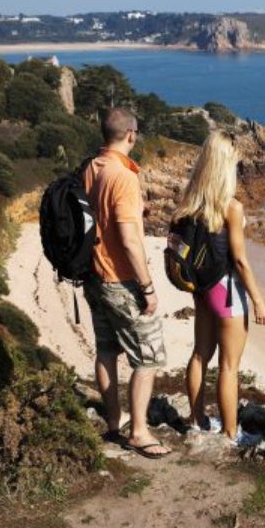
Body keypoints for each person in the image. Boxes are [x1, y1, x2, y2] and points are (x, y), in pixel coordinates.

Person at [171, 131, 265, 446]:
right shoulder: (231, 207)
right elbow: (240, 261)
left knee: (200, 354)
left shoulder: (188, 201)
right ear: (225, 166)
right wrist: (259, 302)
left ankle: (198, 419)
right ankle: (231, 433)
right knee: (229, 365)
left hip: (200, 289)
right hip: (226, 292)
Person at [82, 107, 171, 459]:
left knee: (106, 349)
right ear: (132, 134)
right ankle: (139, 432)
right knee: (146, 358)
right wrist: (147, 287)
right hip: (120, 280)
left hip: (93, 277)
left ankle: (114, 423)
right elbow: (130, 239)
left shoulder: (91, 166)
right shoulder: (124, 176)